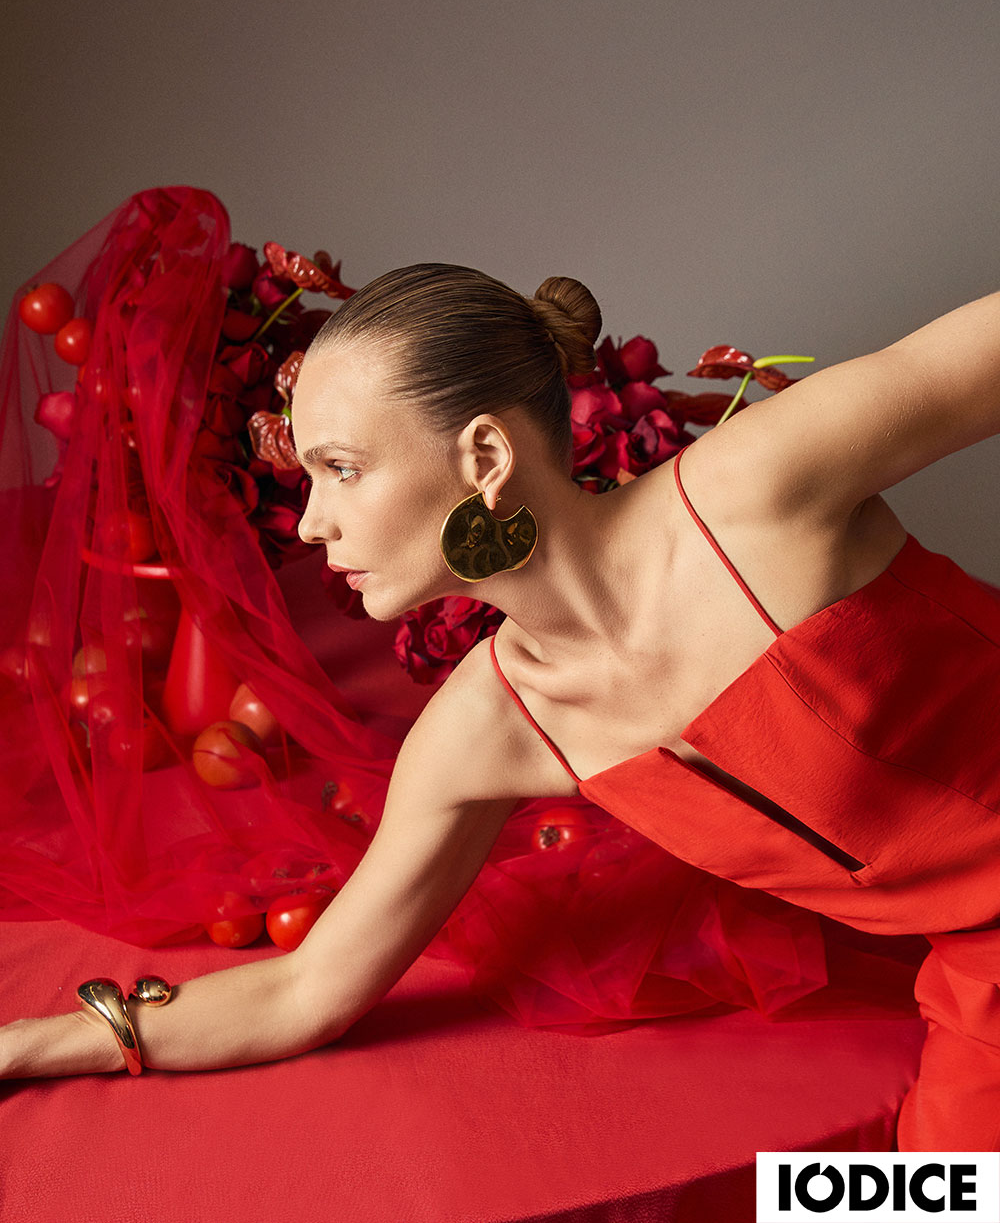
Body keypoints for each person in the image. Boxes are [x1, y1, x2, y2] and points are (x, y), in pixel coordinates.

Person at [2, 263, 998, 1151]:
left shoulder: (754, 487)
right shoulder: (489, 727)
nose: (309, 523)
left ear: (484, 457)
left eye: (341, 469)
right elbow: (304, 992)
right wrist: (28, 1045)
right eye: (305, 478)